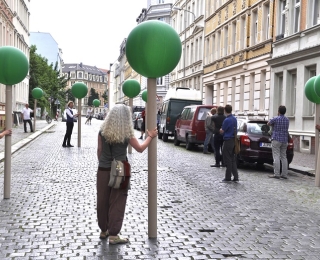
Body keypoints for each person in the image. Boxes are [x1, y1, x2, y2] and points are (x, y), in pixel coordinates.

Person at [96, 104, 158, 244]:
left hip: (103, 168)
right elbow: (140, 148)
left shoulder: (102, 131)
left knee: (102, 200)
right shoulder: (126, 133)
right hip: (120, 169)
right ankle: (113, 235)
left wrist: (104, 163)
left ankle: (103, 230)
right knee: (117, 200)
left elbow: (99, 150)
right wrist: (150, 136)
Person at [267, 105, 289, 179]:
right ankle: (284, 174)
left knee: (276, 156)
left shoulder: (275, 118)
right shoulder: (287, 120)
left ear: (278, 111)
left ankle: (276, 174)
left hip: (276, 139)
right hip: (284, 140)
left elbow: (268, 123)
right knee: (284, 157)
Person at [220, 104, 239, 182]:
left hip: (228, 140)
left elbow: (222, 131)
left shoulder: (227, 120)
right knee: (232, 159)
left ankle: (228, 177)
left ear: (225, 110)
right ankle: (236, 176)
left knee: (227, 159)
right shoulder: (234, 118)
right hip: (233, 140)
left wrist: (220, 130)